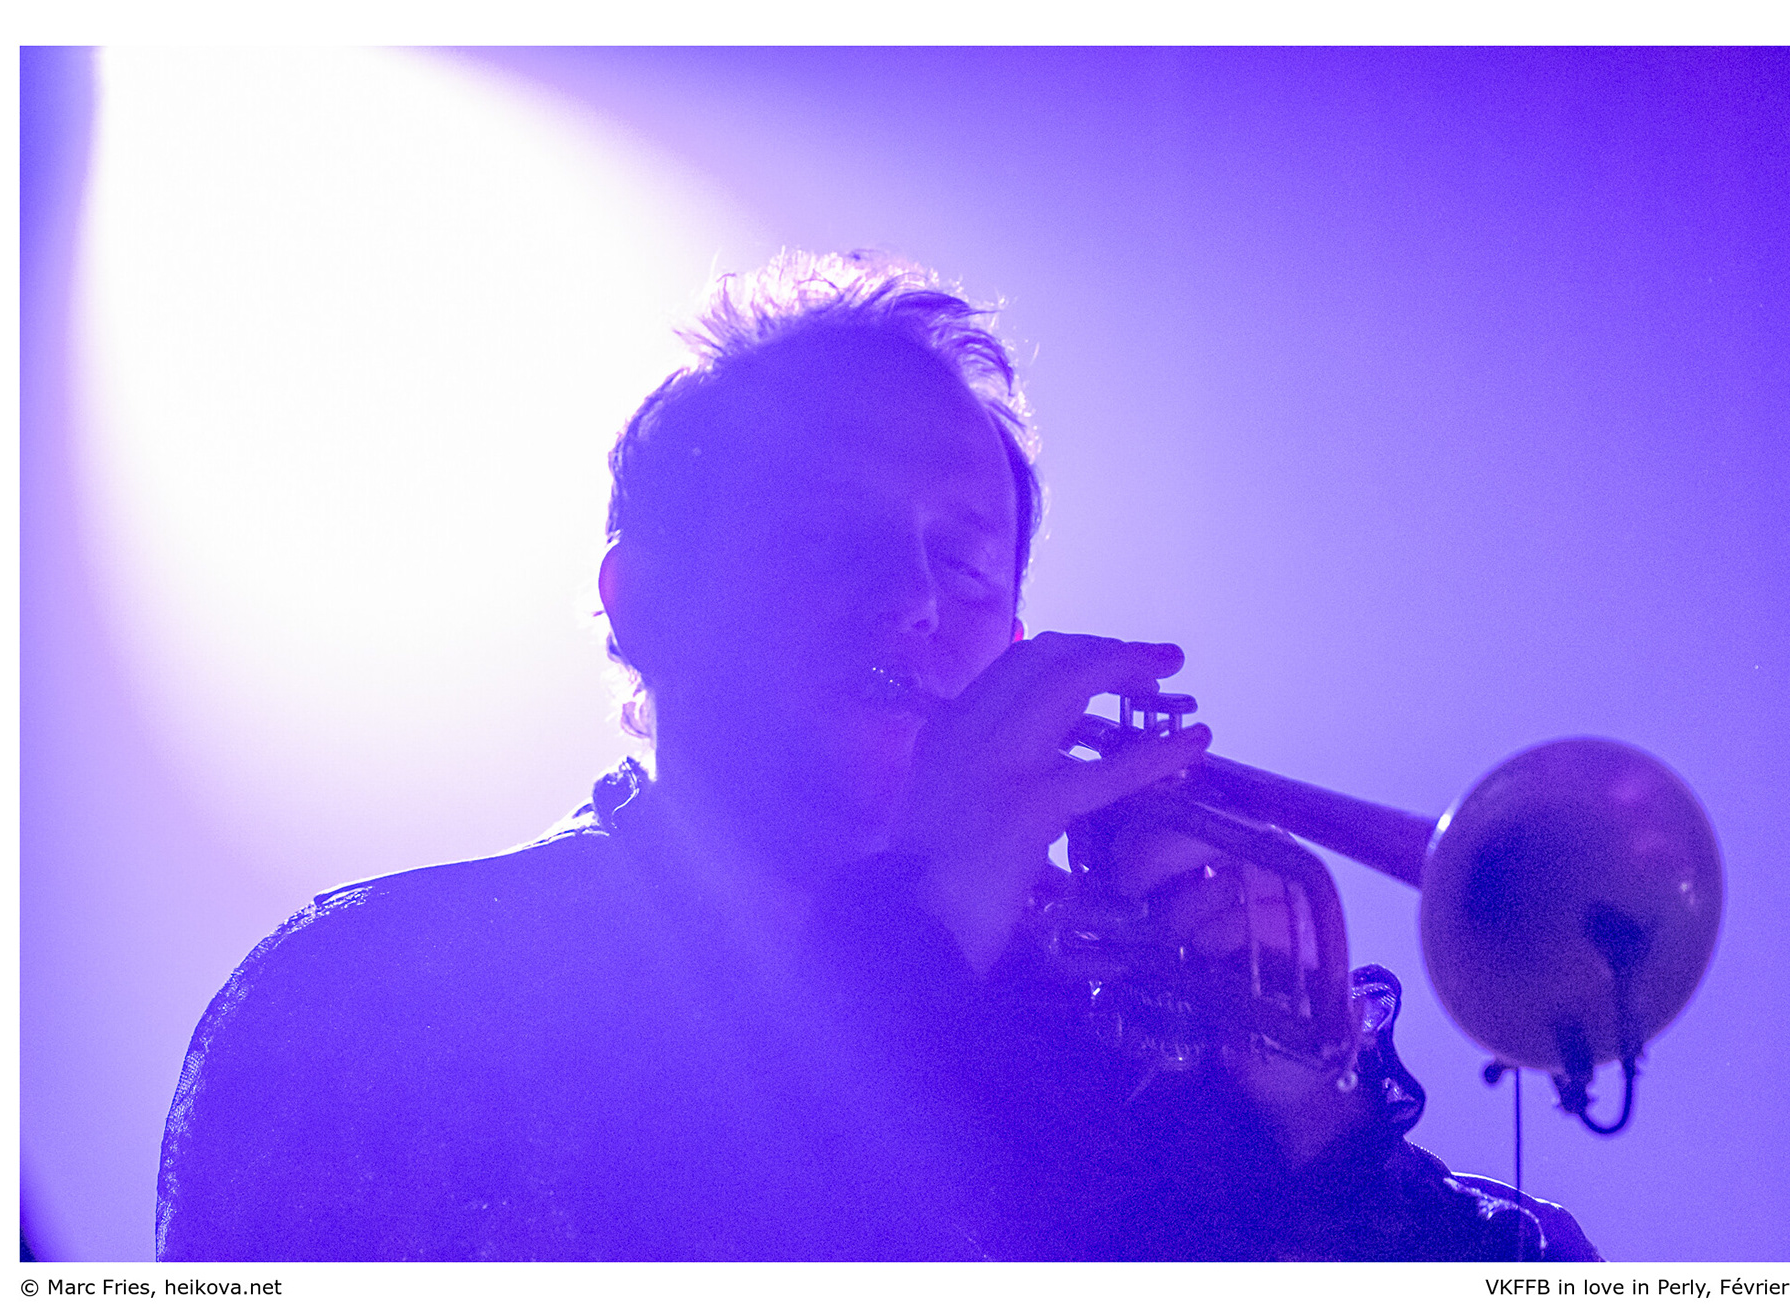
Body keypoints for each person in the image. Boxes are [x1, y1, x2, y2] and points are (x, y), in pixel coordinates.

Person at [156, 251, 1599, 1261]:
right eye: (823, 536)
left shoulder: (1116, 1043)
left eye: (962, 565)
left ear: (1013, 641)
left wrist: (1306, 1132)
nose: (910, 599)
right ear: (640, 603)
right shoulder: (384, 989)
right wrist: (919, 921)